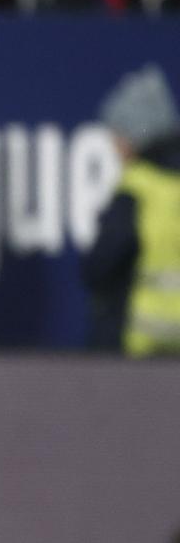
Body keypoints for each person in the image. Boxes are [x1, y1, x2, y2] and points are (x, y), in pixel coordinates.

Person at [83, 65, 180, 354]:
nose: (114, 146)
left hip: (137, 347)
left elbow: (99, 265)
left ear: (137, 133)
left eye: (118, 134)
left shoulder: (137, 188)